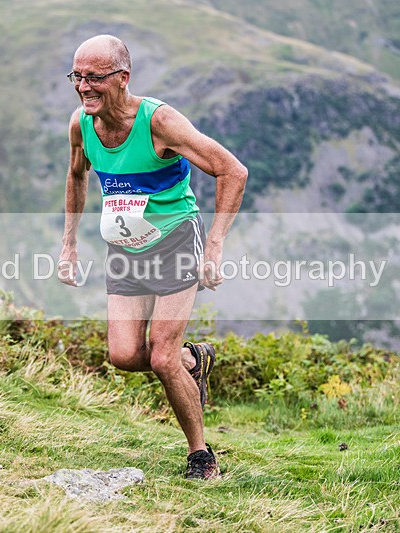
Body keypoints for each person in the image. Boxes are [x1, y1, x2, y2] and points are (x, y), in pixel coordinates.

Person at [57, 34, 247, 480]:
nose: (84, 87)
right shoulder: (81, 124)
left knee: (161, 356)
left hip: (177, 239)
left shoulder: (159, 122)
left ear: (123, 78)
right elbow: (75, 175)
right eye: (77, 77)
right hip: (125, 246)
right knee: (124, 355)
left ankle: (201, 456)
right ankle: (193, 362)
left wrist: (215, 245)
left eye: (95, 78)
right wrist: (69, 243)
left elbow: (232, 170)